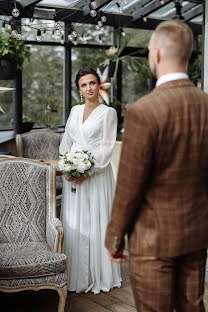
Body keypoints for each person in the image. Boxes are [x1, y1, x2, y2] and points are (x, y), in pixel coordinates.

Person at [105, 20, 208, 312]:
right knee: (193, 307)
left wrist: (115, 237)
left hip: (153, 240)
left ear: (158, 53)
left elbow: (129, 187)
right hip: (197, 234)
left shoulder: (143, 112)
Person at [59, 67, 121, 294]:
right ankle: (76, 275)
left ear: (99, 85)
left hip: (96, 176)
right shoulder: (74, 110)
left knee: (96, 221)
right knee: (75, 221)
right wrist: (65, 166)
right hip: (72, 176)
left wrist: (88, 171)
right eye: (84, 85)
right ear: (79, 89)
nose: (89, 88)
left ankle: (98, 274)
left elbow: (106, 147)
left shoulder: (108, 113)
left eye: (92, 83)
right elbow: (66, 142)